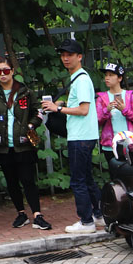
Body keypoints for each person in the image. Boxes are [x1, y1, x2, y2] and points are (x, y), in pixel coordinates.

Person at [41, 38, 103, 234]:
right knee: (87, 178)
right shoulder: (79, 78)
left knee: (78, 181)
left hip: (80, 137)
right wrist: (63, 103)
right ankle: (99, 215)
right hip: (84, 135)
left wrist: (57, 107)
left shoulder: (82, 79)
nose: (65, 58)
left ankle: (86, 222)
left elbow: (84, 110)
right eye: (63, 55)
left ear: (80, 57)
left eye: (69, 55)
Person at [0, 57, 51, 230]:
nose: (2, 74)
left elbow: (38, 112)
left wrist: (31, 126)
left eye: (6, 70)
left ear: (13, 71)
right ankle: (21, 213)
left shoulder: (25, 91)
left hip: (23, 144)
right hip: (3, 146)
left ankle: (37, 214)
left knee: (28, 179)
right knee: (11, 181)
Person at [96, 61, 133, 174]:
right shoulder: (101, 98)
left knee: (132, 173)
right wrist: (106, 110)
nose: (107, 78)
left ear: (120, 78)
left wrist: (125, 110)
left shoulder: (130, 97)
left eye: (111, 75)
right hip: (109, 145)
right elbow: (97, 120)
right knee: (114, 174)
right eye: (106, 75)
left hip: (130, 143)